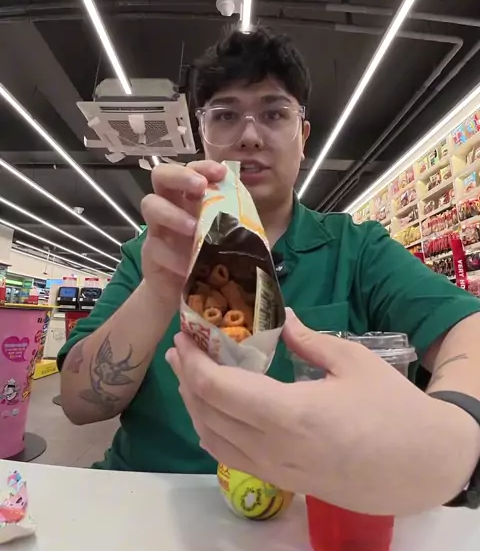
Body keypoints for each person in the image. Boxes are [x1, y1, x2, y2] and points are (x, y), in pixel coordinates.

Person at [59, 26, 480, 516]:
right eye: (225, 115)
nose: (250, 136)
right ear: (202, 136)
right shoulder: (151, 251)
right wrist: (158, 289)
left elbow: (467, 327)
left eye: (275, 114)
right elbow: (79, 403)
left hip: (312, 515)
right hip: (151, 505)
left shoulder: (356, 249)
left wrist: (454, 430)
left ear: (303, 137)